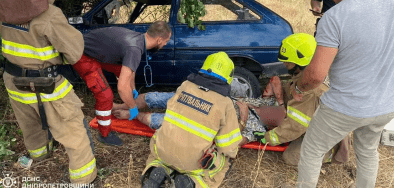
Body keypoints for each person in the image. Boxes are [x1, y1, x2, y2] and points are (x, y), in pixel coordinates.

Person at [113, 33, 349, 166]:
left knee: (292, 158)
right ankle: (128, 107)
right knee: (171, 99)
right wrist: (275, 94)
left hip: (316, 127)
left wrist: (262, 135)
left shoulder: (305, 97)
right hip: (235, 106)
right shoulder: (297, 83)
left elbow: (293, 126)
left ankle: (331, 149)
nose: (284, 65)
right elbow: (287, 108)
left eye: (287, 61)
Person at [0, 0, 96, 184]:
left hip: (13, 81)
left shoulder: (6, 8)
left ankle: (40, 158)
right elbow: (75, 51)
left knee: (31, 126)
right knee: (73, 129)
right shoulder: (50, 15)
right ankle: (84, 178)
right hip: (46, 84)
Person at [294, 0, 394, 187]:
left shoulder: (335, 17)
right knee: (368, 151)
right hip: (387, 104)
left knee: (313, 149)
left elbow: (317, 76)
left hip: (345, 107)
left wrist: (298, 86)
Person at [141, 52, 241, 188]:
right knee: (223, 163)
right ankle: (191, 182)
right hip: (192, 162)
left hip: (163, 149)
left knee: (158, 156)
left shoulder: (185, 86)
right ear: (228, 77)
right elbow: (228, 147)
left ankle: (156, 168)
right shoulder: (225, 103)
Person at [72, 22, 171, 146]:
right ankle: (105, 134)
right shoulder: (135, 48)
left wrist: (133, 89)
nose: (166, 44)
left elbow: (129, 68)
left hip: (94, 50)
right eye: (166, 41)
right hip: (82, 55)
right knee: (105, 96)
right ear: (159, 40)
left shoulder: (139, 39)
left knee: (122, 72)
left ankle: (115, 106)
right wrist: (132, 108)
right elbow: (122, 88)